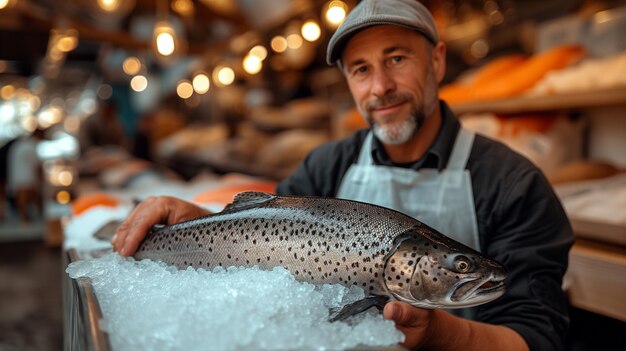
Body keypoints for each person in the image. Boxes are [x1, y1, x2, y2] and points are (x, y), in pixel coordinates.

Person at [112, 1, 574, 350]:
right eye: (360, 69)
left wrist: (439, 331)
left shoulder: (515, 184)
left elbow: (536, 337)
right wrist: (199, 220)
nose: (379, 87)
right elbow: (269, 236)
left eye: (397, 59)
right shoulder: (326, 165)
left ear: (435, 60)